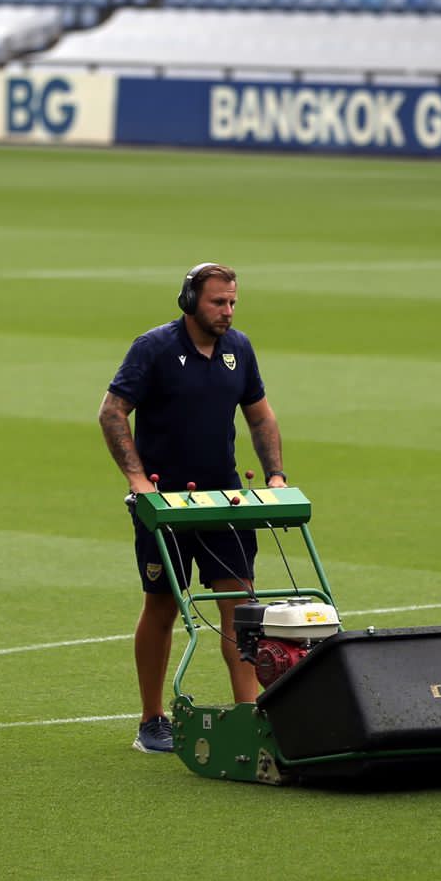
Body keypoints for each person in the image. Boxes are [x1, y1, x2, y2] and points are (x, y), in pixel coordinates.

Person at [98, 262, 287, 754]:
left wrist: (276, 477)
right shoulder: (154, 349)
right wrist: (139, 482)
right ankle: (151, 719)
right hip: (165, 503)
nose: (226, 311)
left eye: (231, 303)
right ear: (189, 302)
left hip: (223, 497)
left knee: (240, 607)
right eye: (216, 302)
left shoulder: (238, 349)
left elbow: (261, 417)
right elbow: (112, 411)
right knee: (162, 604)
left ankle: (248, 715)